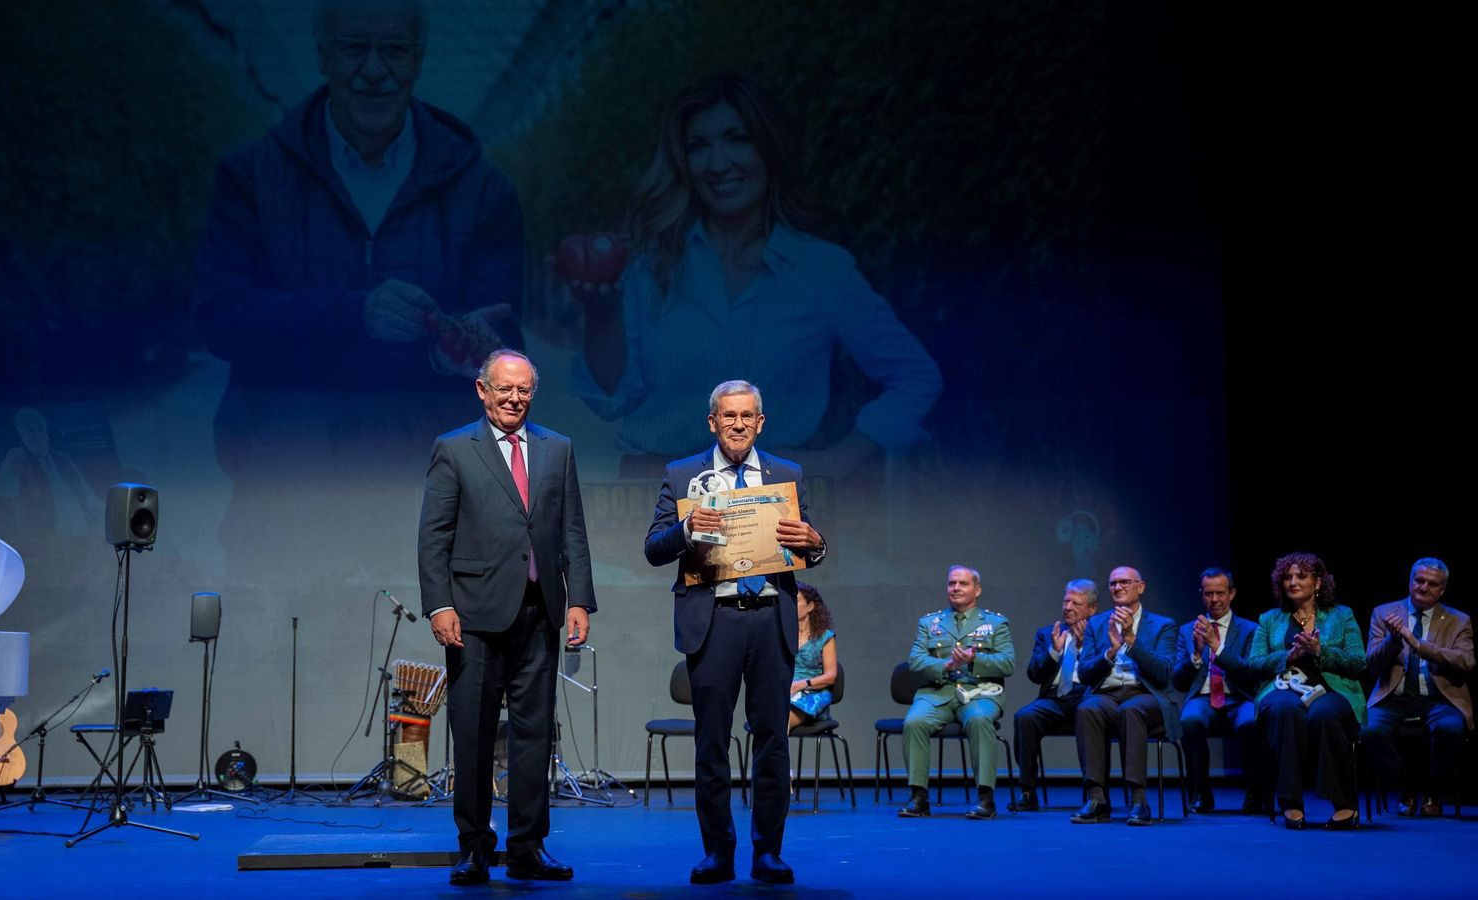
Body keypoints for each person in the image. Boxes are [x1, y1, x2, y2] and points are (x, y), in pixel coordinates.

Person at [196, 0, 524, 579]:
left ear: (418, 58)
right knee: (284, 661)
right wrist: (352, 315)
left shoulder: (481, 189)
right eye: (354, 49)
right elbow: (219, 314)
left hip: (429, 501)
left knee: (423, 667)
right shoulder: (251, 176)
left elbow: (501, 334)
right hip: (281, 492)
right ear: (323, 55)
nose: (374, 69)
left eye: (394, 50)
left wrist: (468, 343)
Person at [571, 72, 939, 473]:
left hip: (773, 509)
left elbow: (915, 375)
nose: (718, 163)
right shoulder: (650, 266)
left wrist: (840, 460)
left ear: (768, 148)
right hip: (654, 499)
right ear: (683, 162)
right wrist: (600, 313)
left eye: (737, 139)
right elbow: (611, 399)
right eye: (699, 146)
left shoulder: (821, 269)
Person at [416, 350, 595, 884]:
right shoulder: (453, 449)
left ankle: (527, 846)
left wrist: (580, 599)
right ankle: (473, 846)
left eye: (523, 391)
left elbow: (573, 532)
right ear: (482, 390)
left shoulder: (556, 448)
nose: (514, 399)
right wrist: (439, 604)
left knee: (534, 734)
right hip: (471, 616)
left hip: (539, 612)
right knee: (471, 734)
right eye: (504, 389)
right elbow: (434, 536)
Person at [645, 380, 825, 885]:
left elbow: (807, 548)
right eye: (729, 416)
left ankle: (768, 852)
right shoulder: (683, 475)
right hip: (714, 620)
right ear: (713, 422)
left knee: (772, 741)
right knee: (712, 743)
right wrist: (685, 531)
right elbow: (654, 548)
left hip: (771, 619)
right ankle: (717, 852)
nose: (739, 424)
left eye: (748, 416)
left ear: (760, 422)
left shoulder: (786, 474)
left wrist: (816, 542)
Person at [1246, 552, 1365, 830]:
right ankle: (1290, 802)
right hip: (1283, 687)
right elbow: (1254, 664)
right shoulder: (1270, 619)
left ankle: (1343, 802)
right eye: (1287, 577)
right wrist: (1288, 655)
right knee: (1285, 710)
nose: (1293, 582)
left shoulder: (1342, 615)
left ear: (1318, 582)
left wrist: (1320, 651)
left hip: (1330, 689)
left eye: (1301, 576)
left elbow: (1359, 662)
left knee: (1325, 714)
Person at [897, 566, 1014, 820]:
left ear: (977, 589)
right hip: (938, 692)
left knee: (980, 720)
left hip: (979, 692)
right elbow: (915, 661)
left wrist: (974, 660)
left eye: (963, 583)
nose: (956, 588)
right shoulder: (930, 623)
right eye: (952, 584)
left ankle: (985, 798)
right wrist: (945, 665)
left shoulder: (994, 623)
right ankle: (918, 797)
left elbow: (1007, 663)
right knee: (914, 722)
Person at [1362, 558, 1473, 816]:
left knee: (1450, 730)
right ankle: (1407, 785)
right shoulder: (1384, 612)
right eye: (1419, 580)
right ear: (1410, 581)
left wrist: (1419, 644)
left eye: (1431, 584)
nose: (1423, 587)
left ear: (1442, 590)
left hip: (1439, 697)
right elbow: (1371, 664)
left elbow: (1465, 662)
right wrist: (1393, 639)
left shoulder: (1458, 620)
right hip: (1394, 696)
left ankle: (1433, 791)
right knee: (1366, 732)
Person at [1072, 566, 1179, 826]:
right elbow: (1085, 673)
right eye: (1113, 584)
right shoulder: (1097, 624)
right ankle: (1097, 798)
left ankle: (1138, 799)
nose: (1118, 588)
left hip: (1147, 694)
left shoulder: (1163, 625)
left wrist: (1131, 641)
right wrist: (1109, 652)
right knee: (1088, 709)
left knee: (1132, 709)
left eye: (1124, 582)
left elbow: (1164, 672)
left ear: (1140, 587)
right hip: (1108, 694)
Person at [1171, 567, 1261, 814]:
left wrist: (1217, 648)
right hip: (1203, 697)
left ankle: (1256, 793)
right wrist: (1197, 656)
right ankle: (1200, 793)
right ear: (1202, 595)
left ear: (1232, 594)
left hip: (1239, 697)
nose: (1214, 600)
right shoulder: (1187, 630)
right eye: (1208, 593)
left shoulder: (1250, 630)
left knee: (1250, 722)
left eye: (1220, 593)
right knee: (1189, 720)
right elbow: (1178, 682)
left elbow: (1251, 673)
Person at [1009, 579, 1100, 812]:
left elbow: (1104, 671)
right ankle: (1028, 791)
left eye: (1076, 603)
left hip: (1088, 697)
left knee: (1090, 712)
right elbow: (1034, 674)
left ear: (1092, 608)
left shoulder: (1102, 633)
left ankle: (1095, 793)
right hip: (1055, 700)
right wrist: (1053, 652)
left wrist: (1082, 647)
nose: (1068, 607)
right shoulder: (1048, 633)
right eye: (1065, 601)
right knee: (1025, 717)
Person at [789, 584, 837, 731]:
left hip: (810, 695)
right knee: (763, 717)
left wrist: (800, 684)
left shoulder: (824, 637)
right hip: (786, 692)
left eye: (795, 601)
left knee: (778, 721)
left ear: (810, 606)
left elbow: (831, 676)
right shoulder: (784, 636)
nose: (790, 605)